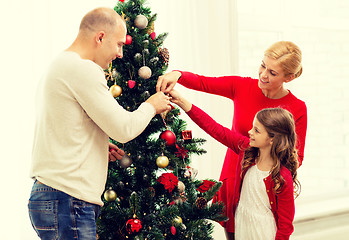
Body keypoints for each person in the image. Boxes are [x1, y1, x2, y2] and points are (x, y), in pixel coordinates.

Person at [28, 7, 171, 240]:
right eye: (118, 44)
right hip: (68, 200)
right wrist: (151, 105)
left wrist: (95, 147)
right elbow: (124, 129)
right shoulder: (82, 69)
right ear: (100, 37)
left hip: (56, 196)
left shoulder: (61, 65)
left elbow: (62, 127)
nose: (121, 54)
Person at [156, 41, 307, 239]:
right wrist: (178, 75)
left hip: (265, 184)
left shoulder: (297, 108)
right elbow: (206, 91)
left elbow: (297, 156)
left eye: (272, 72)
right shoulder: (242, 88)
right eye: (263, 65)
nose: (263, 74)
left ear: (289, 77)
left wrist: (264, 167)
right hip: (234, 178)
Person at [169, 89, 300, 240]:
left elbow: (285, 225)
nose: (250, 132)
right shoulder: (246, 149)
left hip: (263, 232)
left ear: (272, 139)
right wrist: (183, 102)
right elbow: (215, 129)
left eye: (256, 130)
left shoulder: (282, 176)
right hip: (241, 225)